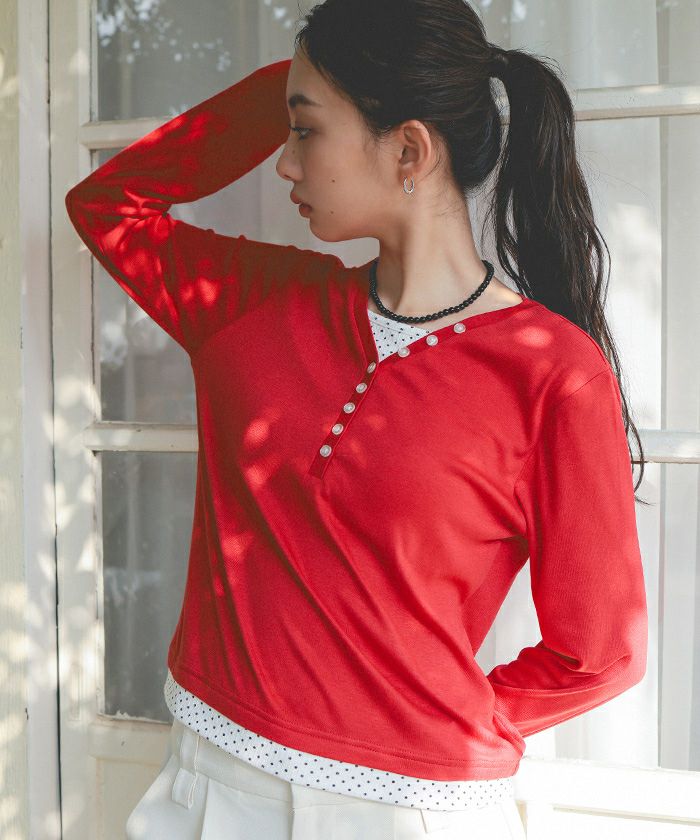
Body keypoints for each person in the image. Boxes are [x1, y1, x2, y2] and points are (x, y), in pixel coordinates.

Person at [65, 1, 649, 837]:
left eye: (305, 131)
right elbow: (109, 206)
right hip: (209, 784)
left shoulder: (551, 372)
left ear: (409, 150)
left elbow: (601, 652)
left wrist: (439, 720)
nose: (283, 161)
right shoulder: (251, 305)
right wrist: (292, 83)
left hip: (409, 813)